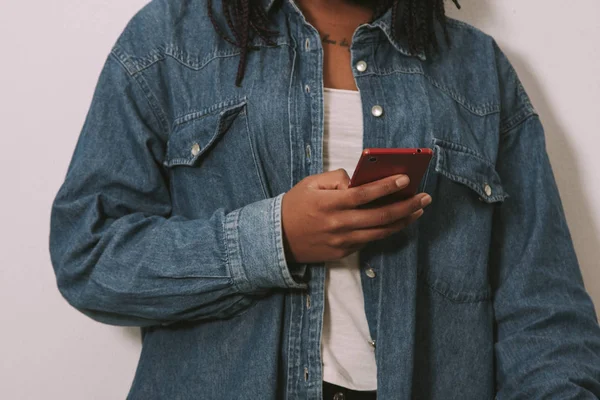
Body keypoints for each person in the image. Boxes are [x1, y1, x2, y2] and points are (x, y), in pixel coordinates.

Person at [49, 0, 600, 398]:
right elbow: (89, 255)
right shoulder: (169, 41)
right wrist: (275, 238)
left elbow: (542, 306)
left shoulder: (477, 70)